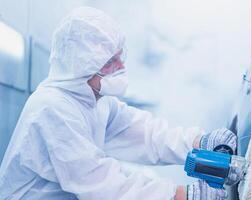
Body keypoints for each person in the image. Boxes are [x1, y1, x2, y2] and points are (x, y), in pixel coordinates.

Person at [0, 7, 236, 200]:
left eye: (118, 57)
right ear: (81, 64)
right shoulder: (53, 108)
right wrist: (184, 195)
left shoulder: (92, 100)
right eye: (110, 61)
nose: (121, 68)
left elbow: (145, 134)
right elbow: (103, 186)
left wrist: (200, 142)